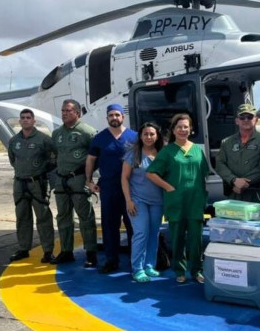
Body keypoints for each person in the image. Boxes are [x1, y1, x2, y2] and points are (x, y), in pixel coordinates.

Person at [147, 113, 209, 284]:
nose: (183, 130)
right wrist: (168, 187)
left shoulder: (197, 150)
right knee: (178, 237)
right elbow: (151, 173)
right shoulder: (167, 152)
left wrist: (203, 197)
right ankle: (180, 270)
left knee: (196, 239)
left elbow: (204, 174)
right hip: (176, 201)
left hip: (195, 201)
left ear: (191, 129)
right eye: (179, 127)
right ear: (173, 130)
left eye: (186, 127)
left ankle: (197, 270)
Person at [86, 104, 138, 273]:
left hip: (131, 189)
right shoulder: (100, 138)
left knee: (133, 225)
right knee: (109, 225)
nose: (114, 118)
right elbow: (91, 160)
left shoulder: (134, 136)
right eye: (111, 115)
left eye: (117, 115)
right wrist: (89, 181)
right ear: (107, 118)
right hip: (108, 187)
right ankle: (111, 260)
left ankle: (135, 260)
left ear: (123, 117)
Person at [50, 99, 98, 266]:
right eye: (63, 111)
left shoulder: (87, 132)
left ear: (77, 113)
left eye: (68, 111)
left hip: (79, 179)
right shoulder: (57, 134)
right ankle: (66, 250)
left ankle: (91, 252)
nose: (64, 113)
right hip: (61, 179)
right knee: (63, 216)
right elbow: (56, 155)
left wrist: (88, 178)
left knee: (85, 216)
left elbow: (95, 157)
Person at [8, 109, 57, 263]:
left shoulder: (44, 140)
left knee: (43, 217)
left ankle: (48, 251)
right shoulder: (14, 141)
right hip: (20, 183)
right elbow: (13, 160)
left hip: (38, 183)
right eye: (22, 118)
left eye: (28, 118)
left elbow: (54, 159)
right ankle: (23, 248)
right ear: (20, 121)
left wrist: (42, 173)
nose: (25, 120)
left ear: (34, 121)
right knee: (22, 217)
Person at [121, 122, 164, 282]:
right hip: (138, 200)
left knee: (154, 233)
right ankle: (137, 268)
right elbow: (124, 178)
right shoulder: (133, 154)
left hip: (158, 201)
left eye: (152, 134)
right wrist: (128, 200)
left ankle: (149, 265)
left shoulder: (162, 153)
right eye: (145, 134)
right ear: (140, 136)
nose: (148, 137)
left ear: (157, 135)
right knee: (141, 233)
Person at [215, 103, 260, 206]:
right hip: (234, 191)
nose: (246, 120)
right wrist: (234, 180)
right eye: (242, 117)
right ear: (237, 121)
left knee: (256, 221)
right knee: (234, 220)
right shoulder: (226, 142)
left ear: (256, 120)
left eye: (250, 117)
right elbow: (220, 164)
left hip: (255, 193)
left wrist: (243, 182)